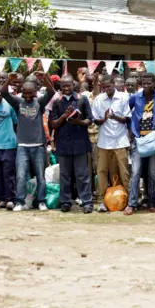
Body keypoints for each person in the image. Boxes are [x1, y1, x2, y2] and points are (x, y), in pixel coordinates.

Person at [2, 72, 55, 212]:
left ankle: (41, 201)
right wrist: (8, 80)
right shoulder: (18, 103)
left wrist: (44, 78)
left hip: (38, 146)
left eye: (30, 92)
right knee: (20, 176)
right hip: (22, 146)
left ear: (35, 92)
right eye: (25, 92)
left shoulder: (39, 103)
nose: (27, 95)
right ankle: (20, 202)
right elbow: (4, 93)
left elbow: (51, 92)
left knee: (40, 177)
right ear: (22, 92)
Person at [125, 73, 155, 215]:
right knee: (135, 173)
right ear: (140, 83)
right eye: (144, 83)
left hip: (154, 141)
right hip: (139, 140)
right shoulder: (135, 98)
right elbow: (126, 112)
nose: (146, 86)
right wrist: (130, 129)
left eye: (149, 83)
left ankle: (152, 202)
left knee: (153, 173)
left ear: (154, 84)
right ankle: (132, 204)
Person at [49, 75, 95, 214]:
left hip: (80, 142)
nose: (66, 88)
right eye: (63, 85)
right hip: (63, 143)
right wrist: (64, 116)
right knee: (65, 175)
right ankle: (65, 202)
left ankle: (86, 202)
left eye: (68, 85)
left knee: (82, 175)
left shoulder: (82, 99)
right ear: (60, 86)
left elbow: (90, 120)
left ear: (73, 85)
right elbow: (53, 124)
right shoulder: (57, 102)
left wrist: (78, 122)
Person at [91, 75, 131, 212]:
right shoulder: (99, 99)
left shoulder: (124, 97)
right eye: (104, 87)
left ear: (114, 84)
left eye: (109, 86)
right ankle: (103, 200)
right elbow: (95, 120)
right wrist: (103, 118)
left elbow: (127, 119)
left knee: (124, 171)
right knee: (102, 171)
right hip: (104, 141)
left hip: (120, 140)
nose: (106, 89)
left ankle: (128, 200)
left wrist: (113, 116)